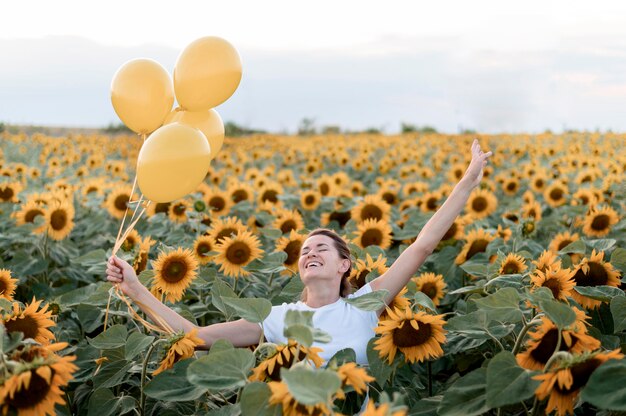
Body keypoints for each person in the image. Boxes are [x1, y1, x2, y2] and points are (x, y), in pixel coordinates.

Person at [106, 139, 492, 366]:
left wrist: (468, 181)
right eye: (305, 250)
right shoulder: (275, 319)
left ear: (345, 264)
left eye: (321, 247)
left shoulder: (365, 304)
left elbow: (422, 246)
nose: (309, 252)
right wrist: (137, 290)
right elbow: (197, 335)